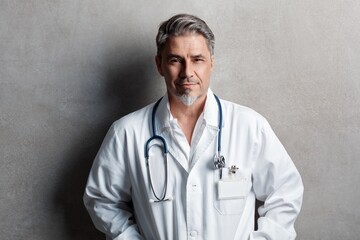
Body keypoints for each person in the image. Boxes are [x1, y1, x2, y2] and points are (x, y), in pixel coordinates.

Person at [83, 13, 304, 240]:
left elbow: (286, 192)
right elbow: (101, 199)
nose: (187, 72)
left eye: (197, 59)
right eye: (175, 60)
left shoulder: (250, 127)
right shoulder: (126, 133)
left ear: (211, 63)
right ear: (159, 64)